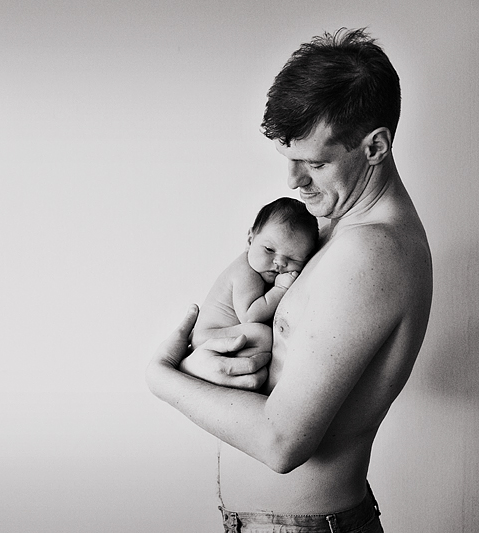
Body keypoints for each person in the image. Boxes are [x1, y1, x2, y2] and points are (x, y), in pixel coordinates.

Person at [146, 28, 432, 533]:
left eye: (315, 163)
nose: (293, 181)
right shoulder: (333, 230)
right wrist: (205, 359)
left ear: (375, 146)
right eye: (290, 159)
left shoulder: (371, 251)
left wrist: (163, 377)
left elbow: (282, 443)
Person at [191, 197, 318, 354]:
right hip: (208, 337)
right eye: (269, 250)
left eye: (293, 258)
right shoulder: (245, 272)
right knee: (262, 335)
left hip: (222, 336)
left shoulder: (259, 269)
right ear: (250, 240)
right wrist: (280, 288)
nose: (279, 262)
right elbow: (250, 317)